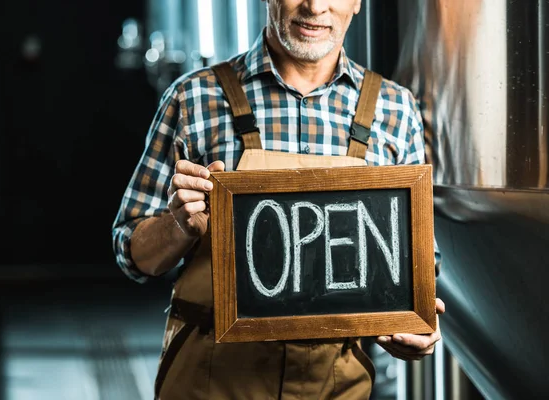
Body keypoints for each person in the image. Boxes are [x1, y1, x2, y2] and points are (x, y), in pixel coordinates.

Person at [112, 0, 445, 398]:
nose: (315, 6)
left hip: (336, 386)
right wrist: (176, 226)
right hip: (213, 381)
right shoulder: (193, 98)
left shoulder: (395, 110)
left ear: (357, 2)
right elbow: (133, 256)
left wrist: (416, 327)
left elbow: (417, 266)